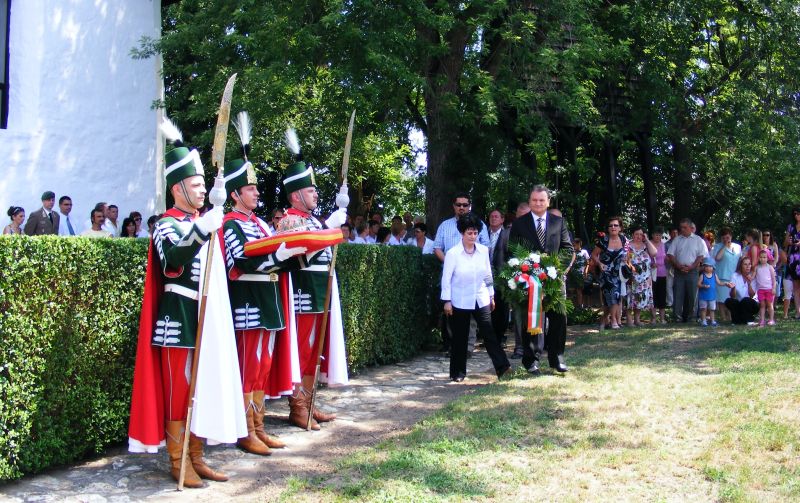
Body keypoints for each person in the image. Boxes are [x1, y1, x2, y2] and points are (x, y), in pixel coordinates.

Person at [128, 117, 238, 488]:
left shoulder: (206, 221)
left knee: (202, 387)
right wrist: (202, 229)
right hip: (179, 318)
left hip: (208, 315)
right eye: (196, 184)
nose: (203, 190)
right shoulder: (165, 224)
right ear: (178, 188)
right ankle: (178, 461)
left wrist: (207, 225)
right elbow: (172, 261)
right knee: (179, 392)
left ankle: (197, 456)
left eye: (204, 184)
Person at [220, 131, 307, 454]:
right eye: (250, 188)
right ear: (235, 194)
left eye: (256, 188)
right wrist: (279, 255)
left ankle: (258, 426)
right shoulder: (230, 224)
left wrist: (297, 252)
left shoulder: (260, 223)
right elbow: (241, 261)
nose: (257, 192)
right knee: (249, 369)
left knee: (262, 368)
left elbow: (274, 256)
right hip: (248, 304)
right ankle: (246, 431)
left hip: (269, 303)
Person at [279, 131, 349, 430]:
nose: (316, 195)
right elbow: (302, 249)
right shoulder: (289, 220)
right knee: (303, 350)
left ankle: (309, 402)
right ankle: (297, 406)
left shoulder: (313, 220)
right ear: (296, 195)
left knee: (316, 351)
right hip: (303, 294)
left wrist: (330, 222)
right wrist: (330, 227)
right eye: (310, 191)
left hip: (322, 292)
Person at [507, 185, 573, 374]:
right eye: (534, 200)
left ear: (548, 202)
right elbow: (512, 250)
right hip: (530, 280)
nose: (538, 203)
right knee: (532, 319)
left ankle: (557, 358)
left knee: (559, 318)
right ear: (530, 201)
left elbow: (568, 249)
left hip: (554, 280)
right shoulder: (519, 224)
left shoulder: (559, 222)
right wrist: (526, 268)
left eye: (542, 200)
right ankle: (531, 360)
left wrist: (555, 269)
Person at [441, 213, 511, 382]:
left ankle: (503, 367)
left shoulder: (483, 251)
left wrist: (491, 295)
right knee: (460, 337)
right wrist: (447, 301)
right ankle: (458, 372)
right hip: (460, 299)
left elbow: (488, 274)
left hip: (481, 297)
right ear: (462, 233)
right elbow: (446, 279)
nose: (473, 236)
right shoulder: (453, 253)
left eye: (475, 233)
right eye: (469, 233)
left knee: (489, 333)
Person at [434, 192, 490, 356]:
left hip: (473, 277)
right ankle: (454, 346)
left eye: (465, 205)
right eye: (459, 205)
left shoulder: (479, 225)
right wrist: (450, 263)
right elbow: (437, 247)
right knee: (452, 311)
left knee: (471, 312)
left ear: (470, 206)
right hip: (451, 275)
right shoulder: (445, 225)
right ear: (454, 206)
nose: (462, 208)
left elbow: (486, 247)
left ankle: (468, 347)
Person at [667, 218, 707, 322]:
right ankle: (677, 317)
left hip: (693, 271)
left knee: (692, 295)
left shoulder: (698, 240)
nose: (682, 229)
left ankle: (691, 317)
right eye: (681, 227)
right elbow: (670, 254)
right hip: (679, 271)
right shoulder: (677, 240)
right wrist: (678, 265)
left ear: (690, 227)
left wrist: (692, 266)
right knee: (678, 294)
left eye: (685, 227)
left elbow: (701, 255)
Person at [592, 216, 628, 329]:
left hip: (619, 273)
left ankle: (604, 320)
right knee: (614, 296)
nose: (613, 227)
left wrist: (626, 260)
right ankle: (613, 321)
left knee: (613, 299)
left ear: (620, 228)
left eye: (616, 225)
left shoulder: (623, 239)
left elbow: (627, 254)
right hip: (606, 274)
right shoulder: (603, 241)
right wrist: (599, 263)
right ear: (608, 228)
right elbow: (593, 255)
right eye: (611, 225)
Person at [625, 226, 657, 326]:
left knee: (640, 298)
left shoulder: (646, 246)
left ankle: (637, 320)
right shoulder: (628, 245)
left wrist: (647, 239)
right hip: (631, 277)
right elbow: (625, 260)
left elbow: (654, 253)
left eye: (641, 234)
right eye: (636, 234)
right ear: (632, 235)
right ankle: (629, 320)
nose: (639, 236)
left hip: (644, 278)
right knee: (630, 298)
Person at [712, 228, 741, 322]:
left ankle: (731, 316)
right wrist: (724, 246)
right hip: (722, 276)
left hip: (734, 276)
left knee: (731, 298)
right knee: (722, 299)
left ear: (731, 237)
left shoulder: (737, 247)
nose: (726, 239)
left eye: (727, 237)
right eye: (723, 238)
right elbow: (717, 258)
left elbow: (740, 260)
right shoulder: (717, 246)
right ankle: (723, 317)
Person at [725, 257, 759, 324]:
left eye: (749, 264)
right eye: (745, 264)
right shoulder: (735, 276)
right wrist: (733, 288)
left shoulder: (753, 276)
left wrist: (749, 284)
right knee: (729, 301)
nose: (748, 266)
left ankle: (749, 319)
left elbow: (752, 295)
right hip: (739, 302)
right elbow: (732, 296)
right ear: (740, 266)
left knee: (746, 300)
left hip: (751, 303)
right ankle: (736, 321)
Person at [697, 259, 730, 326]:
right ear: (704, 267)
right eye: (706, 266)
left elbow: (719, 283)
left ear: (713, 268)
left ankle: (712, 321)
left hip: (712, 296)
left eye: (710, 266)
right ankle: (703, 321)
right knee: (703, 309)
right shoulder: (702, 275)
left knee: (712, 309)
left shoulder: (714, 275)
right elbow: (698, 284)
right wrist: (703, 286)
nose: (708, 268)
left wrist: (725, 284)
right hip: (703, 296)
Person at [754, 249, 776, 326]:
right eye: (761, 257)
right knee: (762, 305)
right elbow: (753, 276)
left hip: (769, 289)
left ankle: (771, 319)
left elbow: (774, 279)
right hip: (760, 290)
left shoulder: (770, 267)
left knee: (769, 305)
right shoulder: (757, 267)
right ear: (758, 258)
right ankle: (762, 320)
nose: (763, 259)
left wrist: (774, 288)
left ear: (767, 258)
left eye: (764, 257)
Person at [784, 208, 800, 319]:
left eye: (798, 213)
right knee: (796, 287)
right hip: (793, 259)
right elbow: (785, 243)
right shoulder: (791, 227)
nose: (796, 215)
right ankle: (798, 312)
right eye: (795, 214)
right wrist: (788, 242)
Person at [650, 227, 668, 323]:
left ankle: (662, 318)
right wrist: (651, 264)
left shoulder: (663, 245)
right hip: (652, 273)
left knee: (662, 295)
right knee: (653, 295)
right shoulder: (648, 244)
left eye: (660, 235)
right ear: (652, 235)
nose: (658, 237)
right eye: (656, 235)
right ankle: (653, 318)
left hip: (662, 273)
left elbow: (666, 258)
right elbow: (644, 258)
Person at [568, 238, 590, 308]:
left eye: (575, 244)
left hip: (580, 274)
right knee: (571, 290)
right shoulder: (572, 252)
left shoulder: (584, 252)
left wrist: (586, 271)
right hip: (572, 274)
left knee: (579, 290)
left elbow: (588, 263)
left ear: (579, 244)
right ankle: (572, 307)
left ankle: (580, 306)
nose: (574, 246)